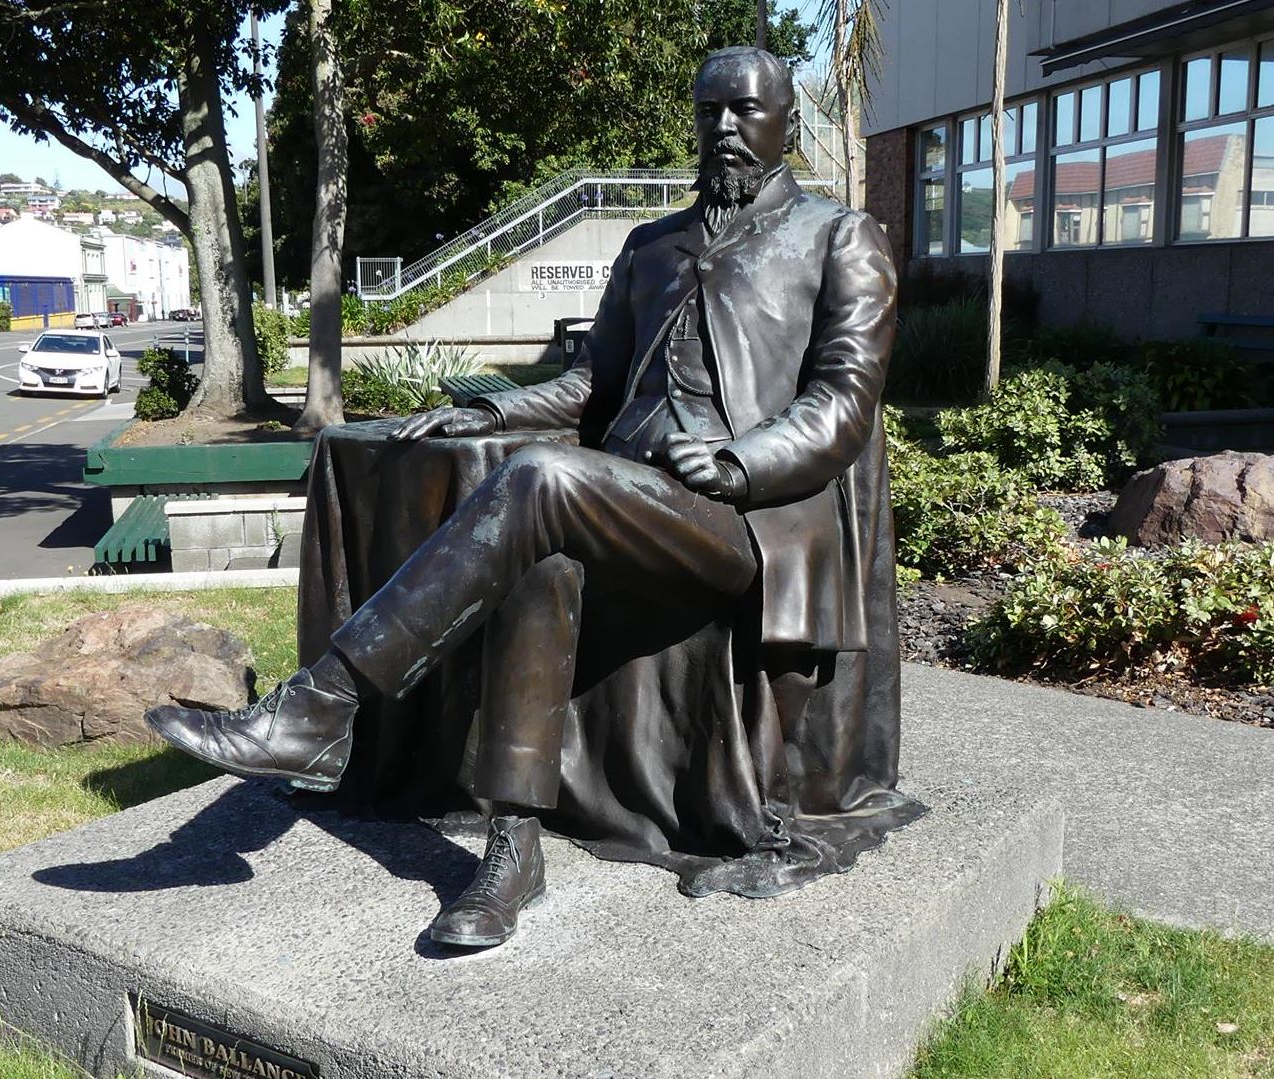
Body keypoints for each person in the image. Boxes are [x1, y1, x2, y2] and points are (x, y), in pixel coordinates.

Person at [146, 45, 908, 949]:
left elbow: (843, 402)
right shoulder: (650, 245)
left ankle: (320, 705)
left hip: (746, 520)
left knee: (542, 480)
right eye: (710, 113)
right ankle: (513, 850)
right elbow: (595, 385)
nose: (726, 130)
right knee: (542, 550)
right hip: (627, 498)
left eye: (746, 112)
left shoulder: (836, 235)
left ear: (785, 121)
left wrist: (745, 461)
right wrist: (489, 408)